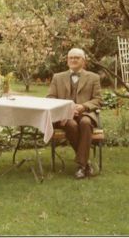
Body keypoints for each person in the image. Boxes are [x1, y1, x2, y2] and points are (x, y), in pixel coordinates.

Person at [47, 48, 102, 179]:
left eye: (76, 58)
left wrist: (83, 107)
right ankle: (84, 165)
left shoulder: (94, 78)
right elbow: (50, 98)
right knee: (71, 124)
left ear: (83, 61)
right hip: (64, 116)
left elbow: (98, 100)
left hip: (85, 114)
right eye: (70, 58)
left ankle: (82, 165)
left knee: (85, 122)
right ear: (67, 61)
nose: (73, 60)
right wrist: (65, 109)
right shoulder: (58, 77)